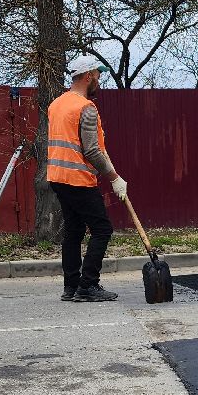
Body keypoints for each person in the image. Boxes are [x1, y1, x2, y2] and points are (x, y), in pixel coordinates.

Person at [47, 55, 128, 303]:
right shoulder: (86, 107)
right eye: (98, 76)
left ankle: (71, 286)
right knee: (102, 229)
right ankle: (88, 285)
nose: (100, 81)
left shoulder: (57, 104)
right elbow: (91, 150)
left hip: (57, 177)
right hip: (78, 179)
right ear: (89, 76)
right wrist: (115, 178)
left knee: (73, 231)